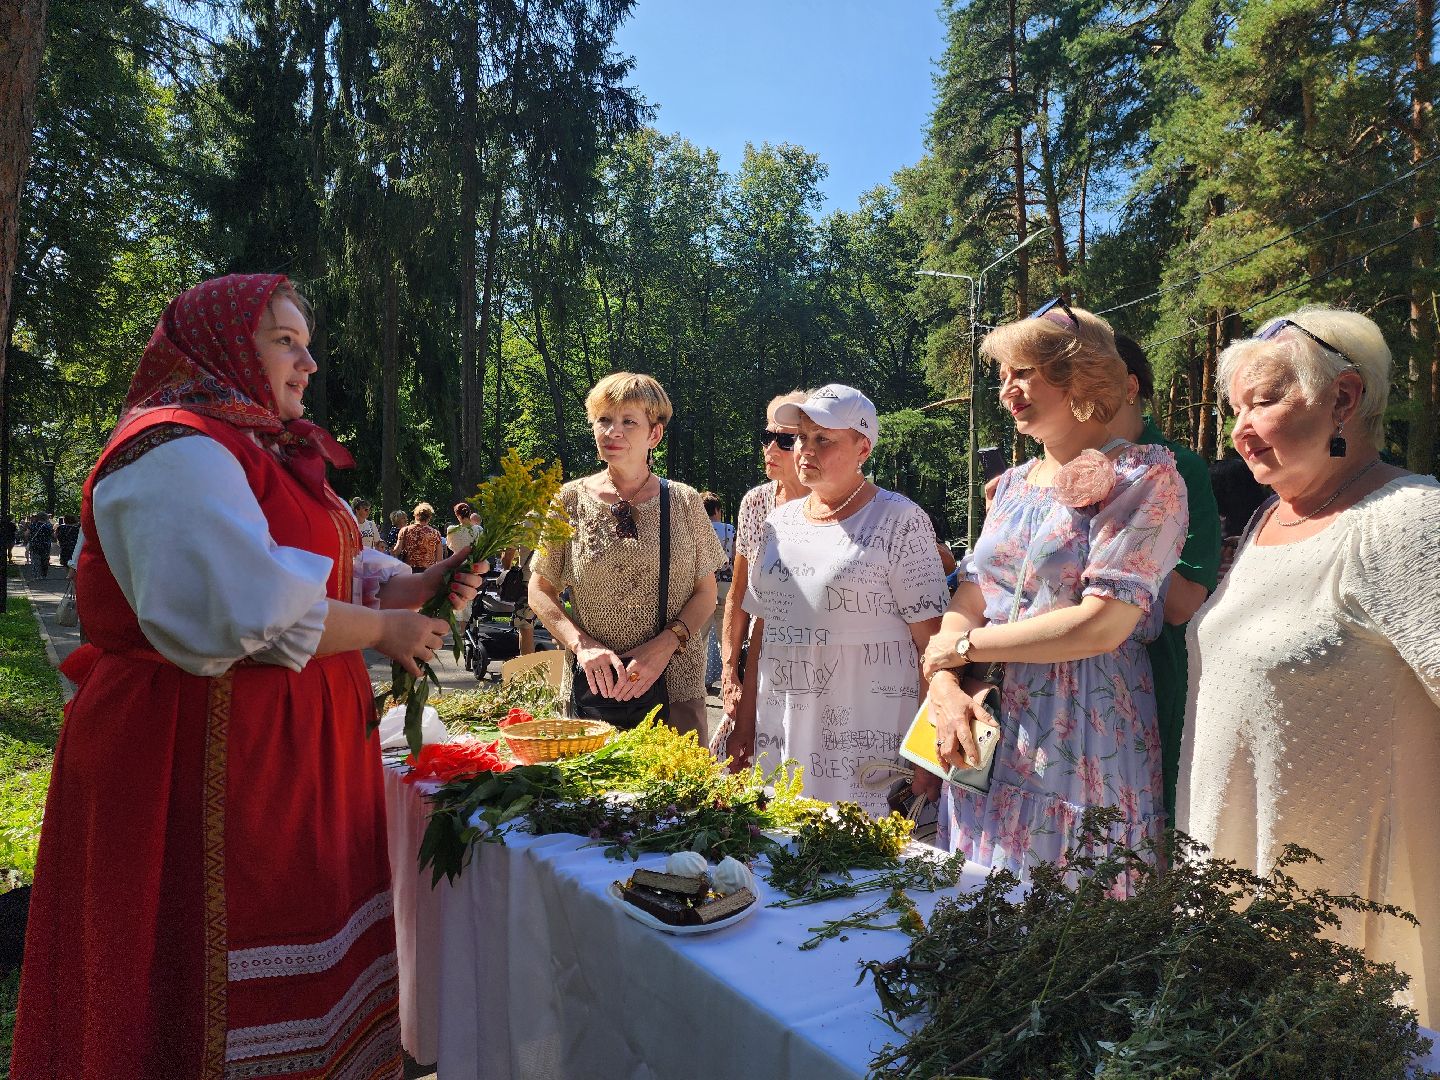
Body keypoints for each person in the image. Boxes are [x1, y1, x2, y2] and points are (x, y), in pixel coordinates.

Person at [11, 274, 482, 1078]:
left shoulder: (259, 445)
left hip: (291, 752)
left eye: (306, 343)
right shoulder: (172, 444)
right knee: (198, 982)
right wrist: (384, 628)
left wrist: (415, 589)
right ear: (224, 344)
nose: (306, 364)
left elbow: (328, 571)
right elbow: (238, 611)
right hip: (191, 755)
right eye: (284, 342)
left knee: (312, 946)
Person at [1178, 307, 1440, 1025]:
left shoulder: (1408, 520)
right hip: (1233, 871)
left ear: (1344, 400)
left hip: (1351, 904)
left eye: (1264, 400)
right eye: (1236, 408)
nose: (1240, 427)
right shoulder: (1270, 518)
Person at [919, 303, 1188, 889]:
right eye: (1003, 376)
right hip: (985, 717)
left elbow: (1102, 625)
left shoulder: (1145, 477)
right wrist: (943, 684)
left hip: (1080, 721)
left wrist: (963, 647)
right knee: (976, 896)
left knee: (1065, 911)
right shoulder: (1013, 483)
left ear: (1079, 375)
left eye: (1023, 373)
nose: (1007, 390)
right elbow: (972, 588)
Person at [734, 384, 949, 816]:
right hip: (785, 733)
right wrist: (744, 724)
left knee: (862, 870)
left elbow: (933, 646)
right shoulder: (777, 523)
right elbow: (762, 631)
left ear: (863, 447)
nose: (805, 450)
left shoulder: (900, 520)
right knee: (782, 852)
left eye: (823, 439)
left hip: (868, 743)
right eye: (801, 438)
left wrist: (928, 749)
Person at [530, 372, 726, 741]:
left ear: (655, 434)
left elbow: (705, 592)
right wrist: (582, 646)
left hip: (673, 686)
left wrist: (664, 646)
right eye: (603, 420)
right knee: (587, 793)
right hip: (592, 688)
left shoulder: (683, 501)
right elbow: (539, 589)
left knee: (674, 793)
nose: (612, 431)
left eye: (628, 421)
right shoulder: (568, 501)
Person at [1111, 335, 1222, 825]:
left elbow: (1181, 604)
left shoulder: (1181, 468)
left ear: (1130, 385)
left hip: (1151, 683)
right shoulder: (1048, 474)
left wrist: (1115, 520)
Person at [717, 391, 809, 758]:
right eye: (766, 436)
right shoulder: (756, 503)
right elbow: (738, 596)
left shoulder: (840, 502)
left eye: (784, 440)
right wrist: (728, 671)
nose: (771, 447)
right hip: (760, 659)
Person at [702, 492, 735, 691]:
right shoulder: (730, 530)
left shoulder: (697, 530)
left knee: (700, 640)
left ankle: (697, 684)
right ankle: (728, 685)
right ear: (717, 510)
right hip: (726, 589)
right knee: (726, 639)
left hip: (703, 591)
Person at [393, 501, 444, 572]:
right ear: (429, 517)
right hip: (428, 572)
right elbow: (439, 559)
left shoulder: (405, 530)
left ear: (415, 515)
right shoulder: (435, 533)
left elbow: (397, 551)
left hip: (409, 571)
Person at [25, 512, 53, 579]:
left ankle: (36, 575)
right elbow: (53, 535)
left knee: (35, 560)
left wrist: (29, 539)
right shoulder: (48, 526)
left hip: (35, 545)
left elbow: (26, 534)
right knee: (45, 560)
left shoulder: (33, 525)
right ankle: (44, 575)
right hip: (45, 546)